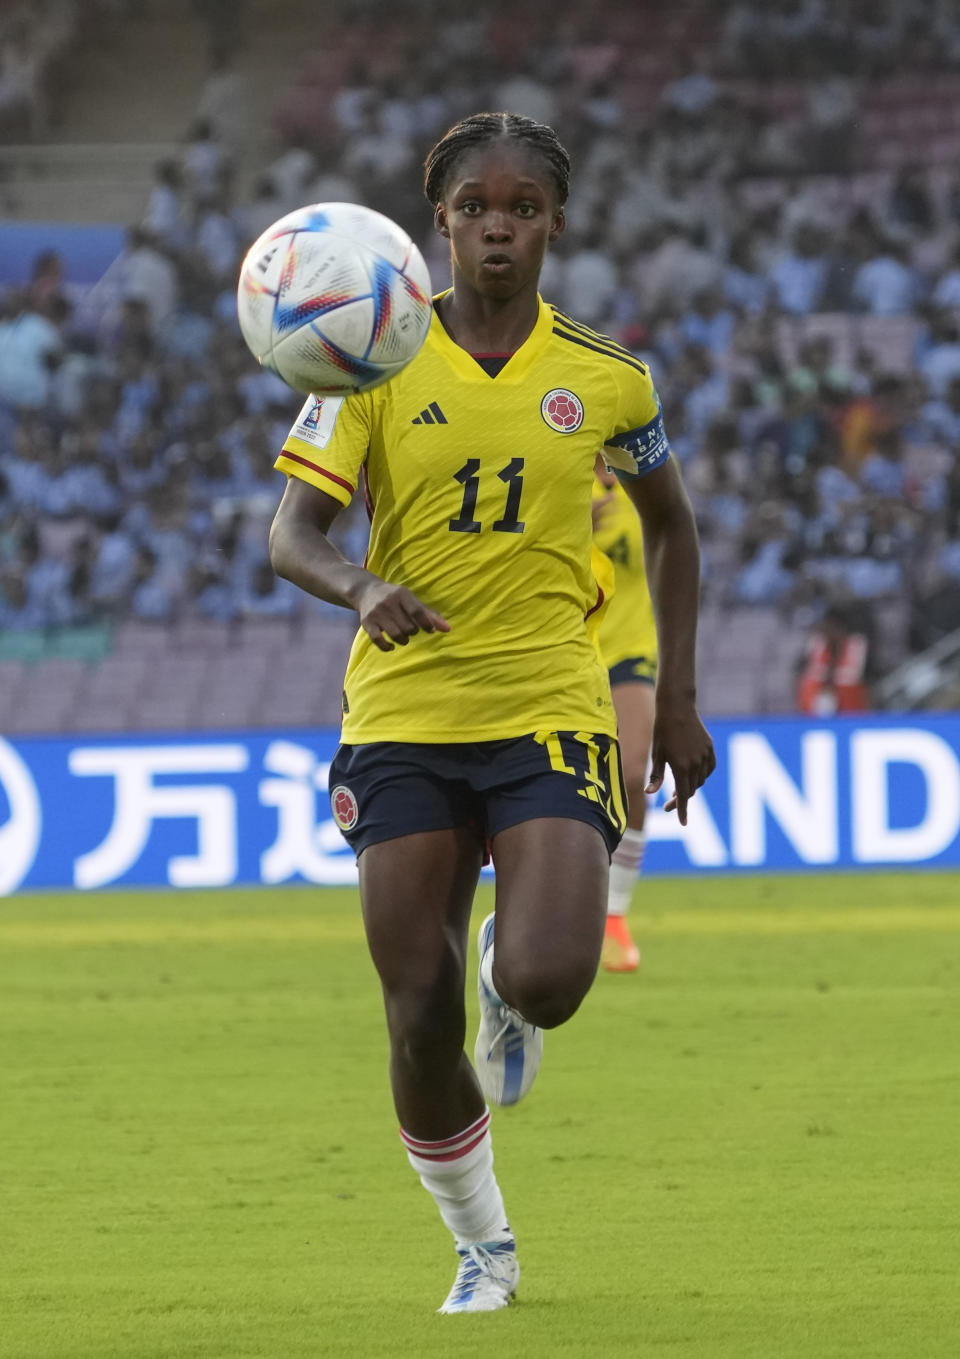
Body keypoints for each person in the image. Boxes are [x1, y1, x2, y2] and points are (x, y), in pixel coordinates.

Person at [268, 112, 715, 1315]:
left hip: (547, 703)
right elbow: (290, 536)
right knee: (414, 1013)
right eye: (476, 208)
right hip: (405, 714)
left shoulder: (608, 377)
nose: (498, 227)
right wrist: (365, 587)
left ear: (556, 224)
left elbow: (672, 528)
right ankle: (485, 1248)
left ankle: (511, 989)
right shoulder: (370, 360)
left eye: (522, 207)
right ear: (442, 224)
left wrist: (675, 701)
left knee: (553, 975)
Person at [592, 459, 658, 972]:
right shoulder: (552, 454)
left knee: (633, 771)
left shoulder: (651, 468)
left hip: (630, 648)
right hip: (564, 647)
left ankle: (615, 916)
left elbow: (672, 541)